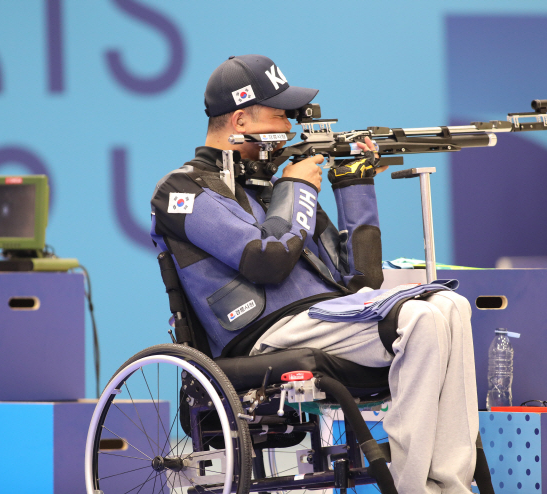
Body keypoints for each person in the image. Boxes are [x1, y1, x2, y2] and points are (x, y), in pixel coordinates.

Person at [150, 54, 478, 494]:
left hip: (326, 318)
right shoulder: (183, 191)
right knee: (421, 319)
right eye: (281, 115)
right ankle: (414, 488)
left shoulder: (274, 185)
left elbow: (361, 280)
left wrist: (354, 183)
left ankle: (449, 485)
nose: (291, 128)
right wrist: (299, 186)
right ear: (241, 119)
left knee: (451, 305)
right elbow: (266, 260)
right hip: (261, 333)